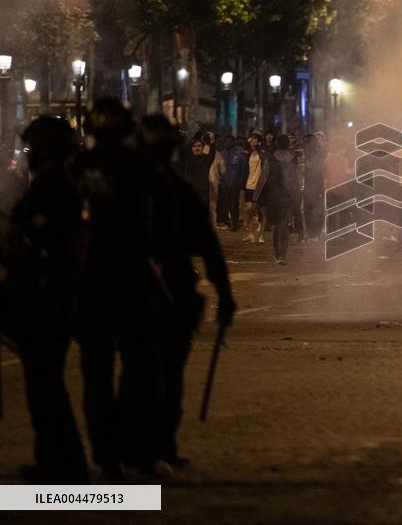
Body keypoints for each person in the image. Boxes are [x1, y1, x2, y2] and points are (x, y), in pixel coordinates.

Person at [73, 98, 173, 479]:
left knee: (96, 373)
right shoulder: (141, 167)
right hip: (132, 277)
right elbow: (166, 220)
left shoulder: (77, 169)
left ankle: (106, 456)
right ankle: (141, 452)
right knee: (142, 370)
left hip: (92, 283)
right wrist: (157, 259)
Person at [137, 116, 236, 469]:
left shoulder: (137, 190)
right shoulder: (162, 190)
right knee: (161, 374)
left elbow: (208, 246)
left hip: (160, 292)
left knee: (146, 374)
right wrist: (224, 295)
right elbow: (209, 248)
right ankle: (151, 447)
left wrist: (225, 294)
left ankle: (147, 448)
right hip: (149, 291)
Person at [2, 117, 90, 484]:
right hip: (46, 298)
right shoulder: (58, 187)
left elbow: (47, 246)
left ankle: (64, 465)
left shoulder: (55, 191)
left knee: (45, 384)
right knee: (43, 383)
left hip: (47, 300)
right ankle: (54, 459)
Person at [261, 134, 297, 265]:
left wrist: (258, 200)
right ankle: (282, 255)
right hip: (286, 198)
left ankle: (278, 253)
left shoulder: (270, 160)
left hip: (273, 199)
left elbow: (263, 181)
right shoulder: (293, 160)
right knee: (283, 226)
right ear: (288, 144)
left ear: (276, 143)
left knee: (277, 226)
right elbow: (296, 182)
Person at [242, 133, 267, 244]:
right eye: (251, 140)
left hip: (259, 186)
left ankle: (261, 235)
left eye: (254, 140)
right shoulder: (250, 154)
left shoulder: (262, 154)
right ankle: (251, 234)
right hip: (249, 185)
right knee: (248, 210)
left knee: (262, 211)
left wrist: (258, 146)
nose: (252, 142)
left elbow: (264, 158)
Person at [302, 135, 325, 242]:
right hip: (307, 186)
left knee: (315, 211)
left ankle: (315, 234)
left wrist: (320, 189)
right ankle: (311, 234)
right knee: (307, 211)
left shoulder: (318, 155)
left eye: (306, 142)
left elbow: (320, 173)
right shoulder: (307, 155)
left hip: (316, 187)